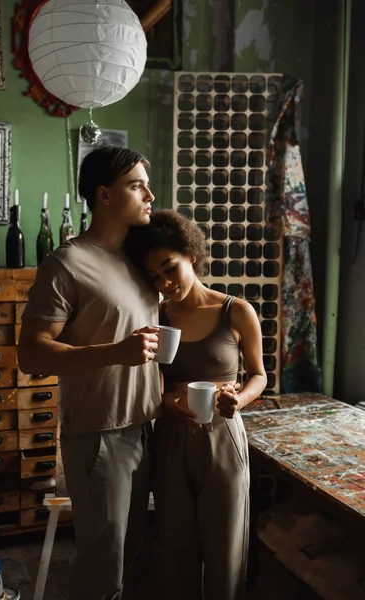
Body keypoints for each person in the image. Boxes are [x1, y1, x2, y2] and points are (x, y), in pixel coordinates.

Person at [17, 146, 162, 600]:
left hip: (151, 425)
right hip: (100, 432)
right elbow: (32, 355)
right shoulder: (66, 263)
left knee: (137, 548)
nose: (150, 195)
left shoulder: (142, 258)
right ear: (103, 195)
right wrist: (117, 352)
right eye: (136, 185)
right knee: (103, 563)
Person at [124, 209, 267, 600]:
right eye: (153, 276)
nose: (165, 283)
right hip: (169, 440)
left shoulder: (235, 311)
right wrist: (164, 399)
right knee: (175, 550)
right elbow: (142, 378)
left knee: (225, 553)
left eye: (170, 268)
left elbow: (259, 375)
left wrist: (239, 399)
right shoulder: (155, 316)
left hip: (223, 439)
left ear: (191, 255)